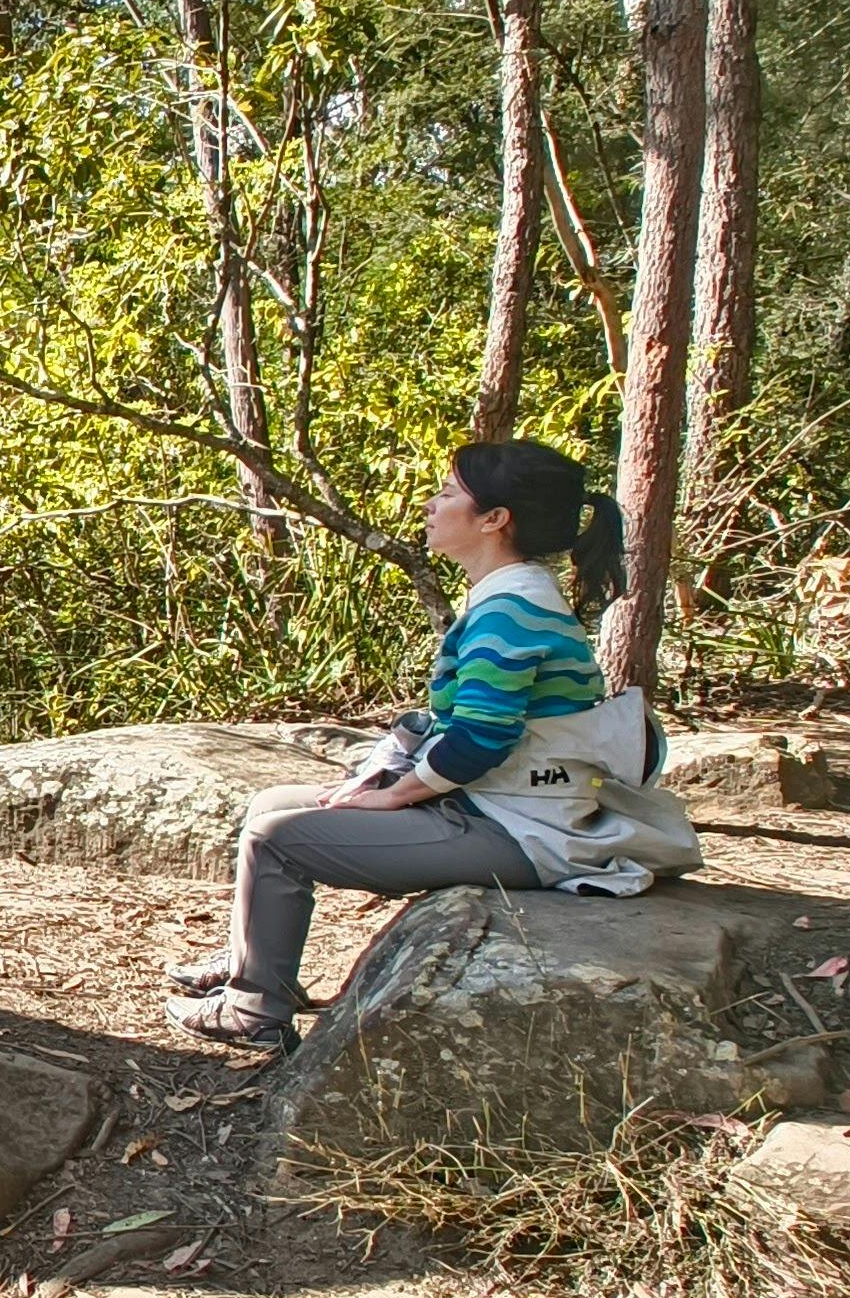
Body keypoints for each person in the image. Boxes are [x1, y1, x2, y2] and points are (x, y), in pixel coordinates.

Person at [166, 439, 700, 1053]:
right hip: (494, 804)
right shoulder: (510, 595)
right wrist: (386, 781)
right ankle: (253, 960)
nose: (429, 505)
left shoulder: (511, 611)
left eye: (447, 494)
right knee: (271, 805)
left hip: (523, 828)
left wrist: (396, 796)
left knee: (277, 840)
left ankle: (254, 1012)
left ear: (494, 519)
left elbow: (481, 738)